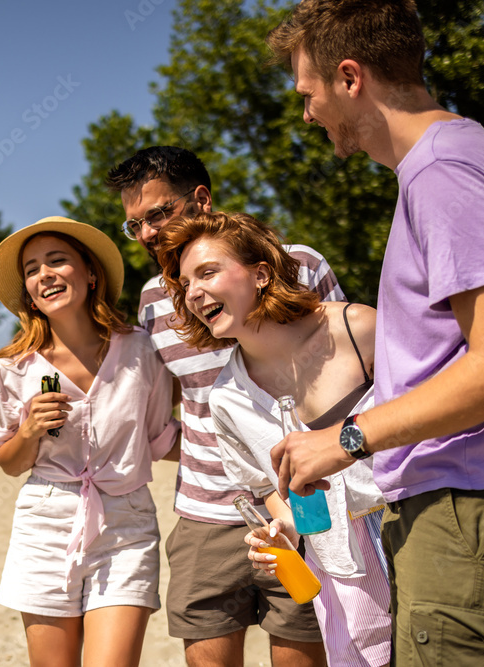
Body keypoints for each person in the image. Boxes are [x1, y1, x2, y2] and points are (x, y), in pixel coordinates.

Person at [265, 2, 484, 664]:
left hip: (472, 502)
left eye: (308, 93)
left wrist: (347, 439)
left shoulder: (443, 173)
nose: (306, 114)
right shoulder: (465, 155)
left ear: (350, 77)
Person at [107, 146, 343, 667]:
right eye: (133, 225)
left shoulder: (297, 264)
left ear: (201, 200)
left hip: (305, 506)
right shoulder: (151, 302)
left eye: (157, 214)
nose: (145, 233)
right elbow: (160, 413)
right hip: (205, 519)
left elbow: (347, 381)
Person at [156, 210, 390, 667]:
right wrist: (281, 529)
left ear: (261, 274)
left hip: (415, 530)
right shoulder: (224, 398)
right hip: (340, 568)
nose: (195, 292)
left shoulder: (358, 329)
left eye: (208, 272)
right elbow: (267, 490)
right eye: (186, 284)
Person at [0, 216, 179, 666]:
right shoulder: (10, 370)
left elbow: (157, 440)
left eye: (57, 261)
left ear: (91, 274)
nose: (43, 274)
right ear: (28, 291)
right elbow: (9, 464)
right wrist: (29, 431)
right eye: (32, 269)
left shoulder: (141, 351)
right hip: (44, 523)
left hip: (127, 524)